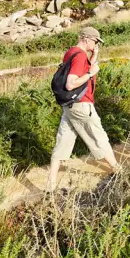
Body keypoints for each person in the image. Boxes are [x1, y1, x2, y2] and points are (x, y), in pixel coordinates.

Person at [46, 27, 119, 191]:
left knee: (62, 142)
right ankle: (118, 170)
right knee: (99, 137)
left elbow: (79, 71)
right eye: (95, 42)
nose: (96, 45)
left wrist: (93, 58)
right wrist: (91, 72)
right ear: (87, 39)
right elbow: (71, 83)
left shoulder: (71, 52)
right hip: (81, 105)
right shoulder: (80, 56)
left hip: (69, 106)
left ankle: (50, 184)